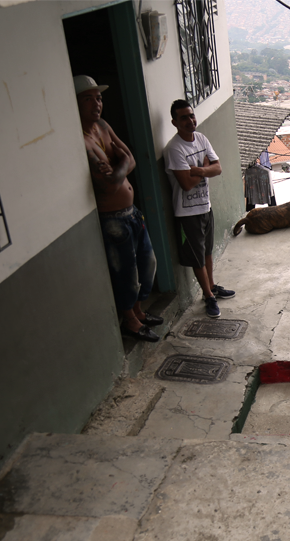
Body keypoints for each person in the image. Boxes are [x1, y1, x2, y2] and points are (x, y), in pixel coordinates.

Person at [75, 75, 162, 343]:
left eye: (98, 98)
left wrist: (118, 167)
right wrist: (120, 163)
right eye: (88, 99)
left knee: (147, 264)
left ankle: (138, 310)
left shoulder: (102, 126)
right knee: (126, 273)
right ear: (75, 104)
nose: (96, 104)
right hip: (113, 220)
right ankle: (131, 321)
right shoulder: (81, 141)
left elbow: (130, 159)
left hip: (132, 213)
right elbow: (110, 185)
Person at [164, 99, 234, 319]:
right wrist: (205, 169)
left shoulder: (201, 138)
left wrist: (199, 170)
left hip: (205, 206)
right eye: (183, 117)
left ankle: (212, 286)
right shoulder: (174, 149)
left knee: (207, 253)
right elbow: (184, 183)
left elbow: (218, 168)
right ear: (174, 122)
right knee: (197, 258)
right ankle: (208, 297)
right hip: (188, 213)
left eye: (191, 115)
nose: (190, 120)